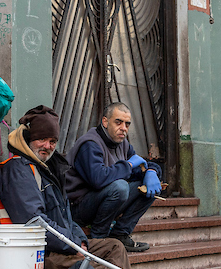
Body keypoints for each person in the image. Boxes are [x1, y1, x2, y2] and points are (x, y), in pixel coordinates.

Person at [0, 105, 207, 269]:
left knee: (114, 246)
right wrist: (73, 246)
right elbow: (36, 223)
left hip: (64, 244)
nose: (47, 146)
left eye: (52, 141)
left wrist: (80, 239)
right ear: (29, 138)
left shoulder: (45, 169)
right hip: (42, 255)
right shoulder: (18, 170)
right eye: (42, 140)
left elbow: (65, 216)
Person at [65, 102, 159, 253]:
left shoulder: (123, 143)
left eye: (127, 124)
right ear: (105, 121)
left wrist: (151, 172)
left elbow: (141, 165)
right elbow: (98, 179)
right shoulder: (90, 144)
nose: (124, 128)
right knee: (120, 187)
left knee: (151, 186)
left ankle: (120, 233)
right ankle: (99, 238)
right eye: (118, 122)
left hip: (103, 203)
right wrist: (128, 165)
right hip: (79, 207)